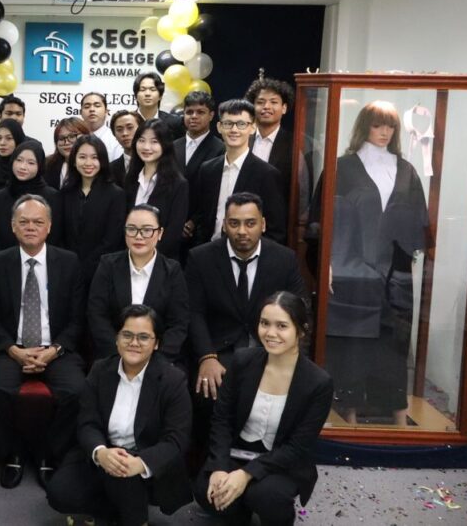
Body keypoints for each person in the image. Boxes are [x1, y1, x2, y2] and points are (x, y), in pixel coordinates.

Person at [327, 100, 428, 426]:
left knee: (394, 345)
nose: (384, 132)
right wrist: (328, 264)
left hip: (395, 276)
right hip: (352, 272)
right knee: (353, 346)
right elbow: (323, 221)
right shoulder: (343, 168)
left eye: (390, 126)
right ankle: (350, 414)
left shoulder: (406, 170)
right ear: (364, 127)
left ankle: (398, 416)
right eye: (377, 125)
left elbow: (418, 225)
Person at [46, 304, 192, 526]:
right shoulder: (100, 370)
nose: (134, 343)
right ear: (117, 339)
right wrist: (100, 452)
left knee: (125, 475)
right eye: (127, 335)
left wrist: (140, 463)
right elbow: (87, 423)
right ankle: (112, 513)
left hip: (144, 461)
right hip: (107, 453)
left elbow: (176, 439)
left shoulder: (172, 380)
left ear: (156, 344)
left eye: (144, 337)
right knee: (60, 493)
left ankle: (135, 519)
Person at [196, 292, 333, 526]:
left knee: (267, 496)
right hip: (238, 453)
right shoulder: (242, 361)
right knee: (205, 490)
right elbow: (222, 419)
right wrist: (219, 467)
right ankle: (238, 512)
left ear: (301, 330)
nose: (270, 333)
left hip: (282, 462)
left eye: (282, 326)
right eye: (264, 323)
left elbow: (297, 447)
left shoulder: (318, 382)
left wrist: (245, 475)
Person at [0, 195, 86, 489]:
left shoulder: (69, 262)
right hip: (11, 348)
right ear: (13, 226)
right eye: (23, 222)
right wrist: (14, 350)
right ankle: (12, 453)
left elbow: (78, 319)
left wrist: (55, 350)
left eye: (38, 222)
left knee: (78, 392)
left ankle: (48, 453)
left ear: (49, 226)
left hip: (57, 348)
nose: (30, 227)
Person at [187, 193, 306, 405]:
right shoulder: (201, 258)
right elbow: (194, 313)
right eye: (234, 223)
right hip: (219, 351)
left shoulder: (284, 259)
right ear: (224, 225)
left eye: (250, 223)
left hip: (269, 349)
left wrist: (289, 360)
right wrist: (207, 357)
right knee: (206, 392)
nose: (242, 231)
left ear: (263, 224)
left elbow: (299, 311)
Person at [87, 205, 189, 363]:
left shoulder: (172, 271)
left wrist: (153, 360)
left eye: (147, 230)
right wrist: (120, 356)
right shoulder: (108, 265)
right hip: (112, 356)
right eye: (132, 229)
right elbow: (97, 315)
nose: (138, 236)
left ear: (160, 233)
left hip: (159, 359)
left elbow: (178, 324)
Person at [188, 99, 285, 247]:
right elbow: (202, 217)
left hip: (247, 252)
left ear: (252, 128)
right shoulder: (207, 169)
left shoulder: (267, 174)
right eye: (228, 124)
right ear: (219, 127)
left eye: (241, 124)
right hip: (209, 250)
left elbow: (276, 230)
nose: (234, 130)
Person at [60, 135, 125, 290]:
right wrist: (70, 262)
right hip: (68, 269)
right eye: (82, 157)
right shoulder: (65, 193)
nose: (88, 163)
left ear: (102, 161)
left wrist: (87, 266)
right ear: (74, 161)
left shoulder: (116, 194)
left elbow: (112, 239)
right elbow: (60, 234)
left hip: (102, 271)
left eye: (94, 157)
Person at [123, 119, 189, 259]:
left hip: (161, 260)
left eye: (154, 142)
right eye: (141, 140)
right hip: (129, 258)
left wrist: (146, 258)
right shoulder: (130, 179)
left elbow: (173, 233)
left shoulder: (178, 184)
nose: (146, 147)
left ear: (165, 145)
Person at [0, 141, 62, 252]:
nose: (23, 167)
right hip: (5, 258)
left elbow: (56, 237)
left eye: (31, 163)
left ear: (40, 166)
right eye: (19, 160)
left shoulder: (52, 197)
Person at [246, 78, 294, 202]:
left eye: (273, 102)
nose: (266, 107)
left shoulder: (295, 144)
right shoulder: (242, 138)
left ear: (284, 108)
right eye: (260, 102)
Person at [173, 91, 224, 182]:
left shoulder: (220, 149)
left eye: (200, 112)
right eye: (189, 112)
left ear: (211, 116)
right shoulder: (173, 146)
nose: (194, 116)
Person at [132, 71, 185, 140]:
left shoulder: (175, 123)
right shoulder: (128, 121)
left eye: (152, 89)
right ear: (135, 96)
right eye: (143, 89)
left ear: (160, 96)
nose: (147, 94)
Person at [45, 117, 91, 190]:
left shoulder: (93, 165)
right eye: (61, 138)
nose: (66, 142)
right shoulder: (47, 165)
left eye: (72, 136)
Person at [79, 92, 123, 160]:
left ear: (106, 111)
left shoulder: (115, 140)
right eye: (87, 107)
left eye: (97, 106)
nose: (92, 109)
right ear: (81, 112)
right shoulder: (75, 138)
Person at [108, 109, 139, 186]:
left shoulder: (153, 164)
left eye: (130, 128)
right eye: (119, 130)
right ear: (114, 135)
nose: (125, 133)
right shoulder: (109, 169)